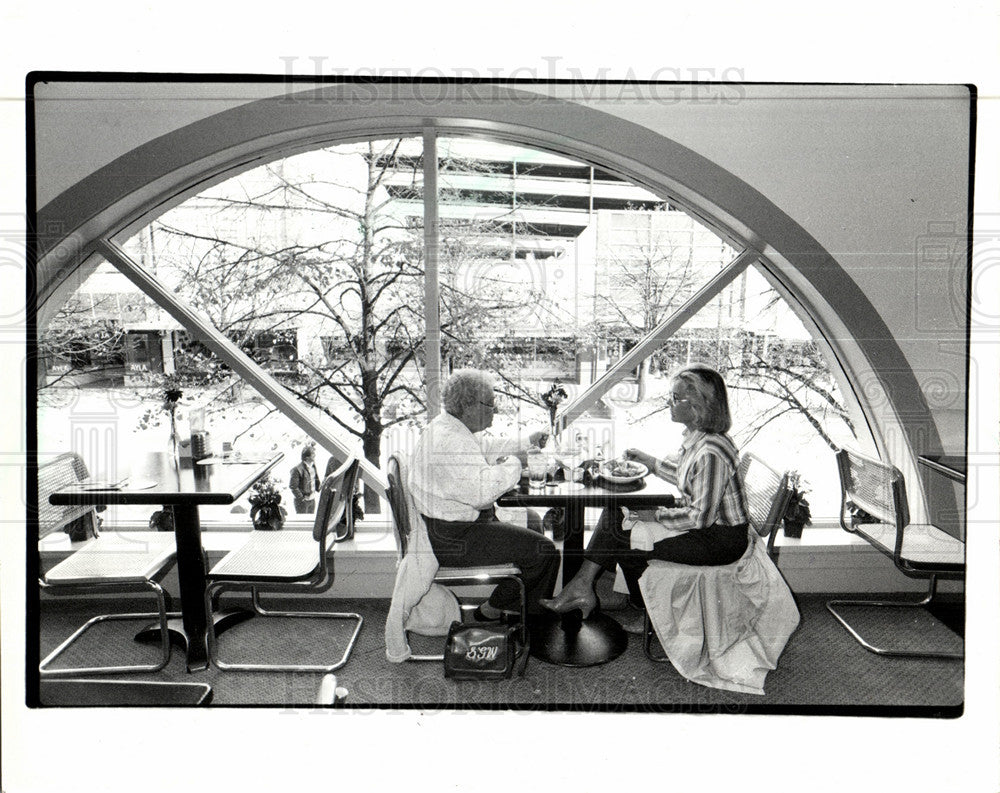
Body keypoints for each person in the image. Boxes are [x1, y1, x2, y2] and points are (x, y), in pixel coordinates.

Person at [540, 363, 751, 632]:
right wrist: (651, 463)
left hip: (720, 540)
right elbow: (693, 480)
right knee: (618, 510)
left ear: (699, 404)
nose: (669, 403)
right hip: (709, 528)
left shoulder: (711, 451)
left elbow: (699, 517)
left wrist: (656, 515)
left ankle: (646, 613)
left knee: (627, 542)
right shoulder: (699, 438)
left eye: (676, 398)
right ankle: (583, 588)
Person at [409, 369, 560, 620]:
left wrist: (525, 442)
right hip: (454, 538)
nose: (495, 410)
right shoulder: (450, 442)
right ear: (468, 406)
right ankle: (531, 622)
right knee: (545, 552)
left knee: (533, 521)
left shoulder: (451, 427)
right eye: (490, 405)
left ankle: (501, 607)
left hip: (455, 525)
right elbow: (481, 493)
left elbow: (485, 448)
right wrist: (516, 462)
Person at [289, 444, 321, 514]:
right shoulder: (297, 469)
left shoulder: (313, 466)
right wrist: (302, 499)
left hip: (312, 500)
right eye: (312, 454)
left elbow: (316, 480)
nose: (315, 455)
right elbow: (293, 486)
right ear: (306, 457)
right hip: (302, 502)